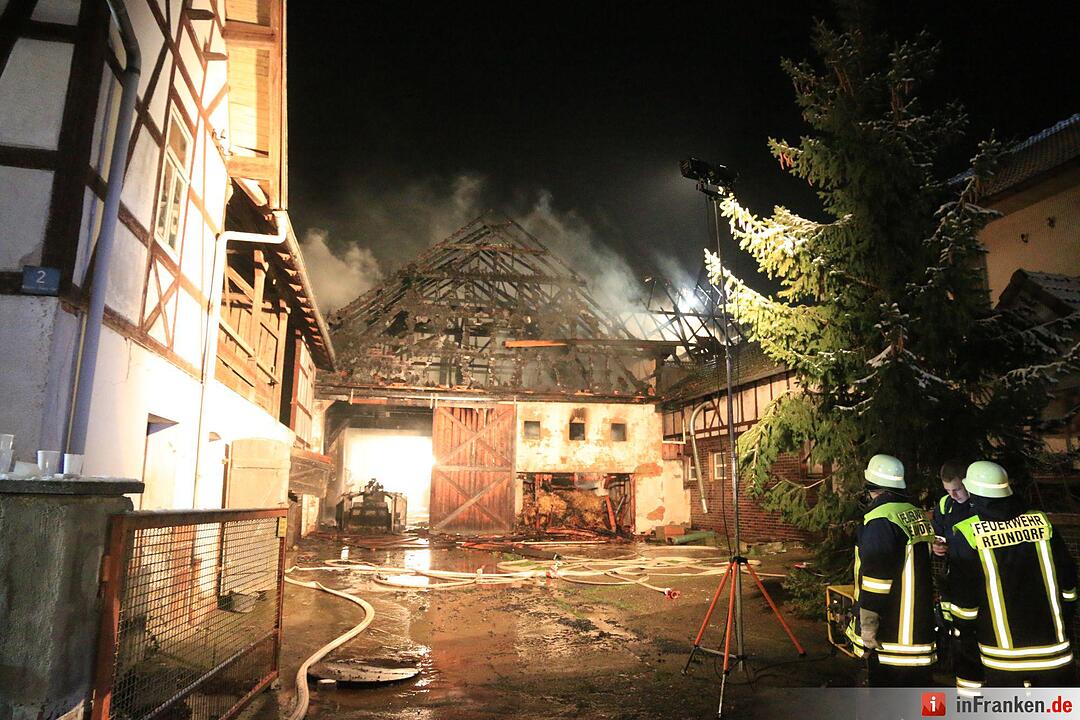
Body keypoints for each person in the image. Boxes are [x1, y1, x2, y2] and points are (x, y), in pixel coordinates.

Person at [950, 461, 1078, 688]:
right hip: (1054, 652)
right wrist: (1064, 617)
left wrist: (963, 631)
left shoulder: (968, 533)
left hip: (1002, 658)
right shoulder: (1042, 523)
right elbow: (1068, 583)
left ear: (972, 492)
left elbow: (965, 603)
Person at [847, 454, 937, 686]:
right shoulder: (915, 514)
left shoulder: (880, 520)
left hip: (891, 635)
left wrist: (867, 626)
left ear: (872, 488)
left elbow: (876, 581)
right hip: (920, 630)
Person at [930, 460, 982, 694]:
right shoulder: (945, 505)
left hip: (980, 577)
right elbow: (938, 533)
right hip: (954, 577)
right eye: (948, 490)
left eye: (958, 489)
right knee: (958, 630)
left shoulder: (981, 502)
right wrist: (936, 546)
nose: (954, 494)